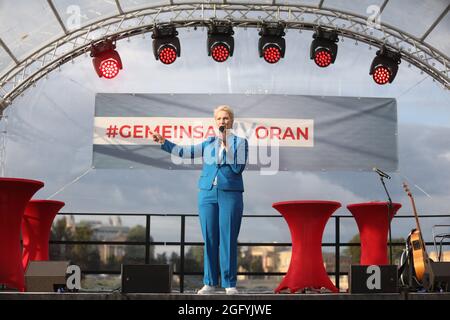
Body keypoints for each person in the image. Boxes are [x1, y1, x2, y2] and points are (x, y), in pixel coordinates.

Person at [151, 105, 248, 295]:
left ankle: (229, 283)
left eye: (226, 118)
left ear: (232, 121)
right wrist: (165, 142)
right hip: (207, 193)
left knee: (228, 238)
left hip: (230, 193)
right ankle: (210, 283)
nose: (222, 122)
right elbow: (184, 152)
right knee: (210, 238)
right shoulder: (208, 143)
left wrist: (226, 144)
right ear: (215, 121)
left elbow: (238, 168)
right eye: (219, 119)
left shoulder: (240, 143)